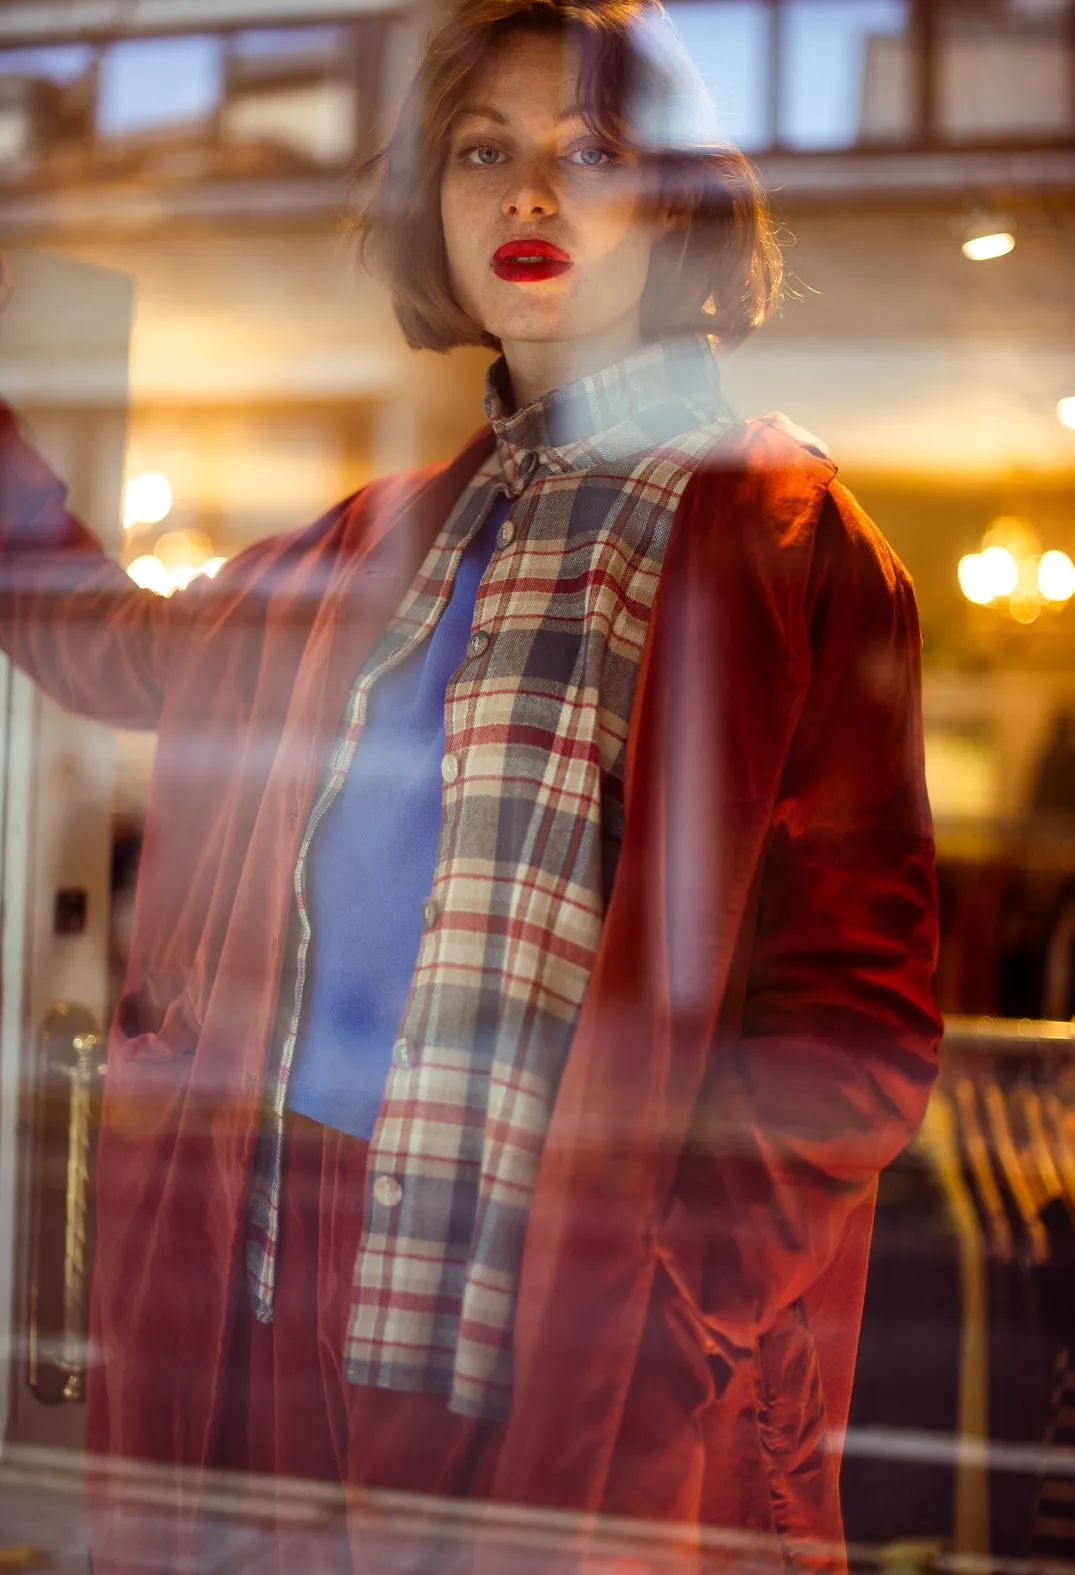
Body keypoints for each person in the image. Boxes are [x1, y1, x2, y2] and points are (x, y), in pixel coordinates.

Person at [0, 0, 942, 1570]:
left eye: (591, 153)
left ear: (680, 203)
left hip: (558, 1309)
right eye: (481, 151)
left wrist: (669, 1308)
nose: (529, 196)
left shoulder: (779, 537)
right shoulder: (389, 536)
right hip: (271, 1267)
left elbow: (854, 1028)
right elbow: (114, 649)